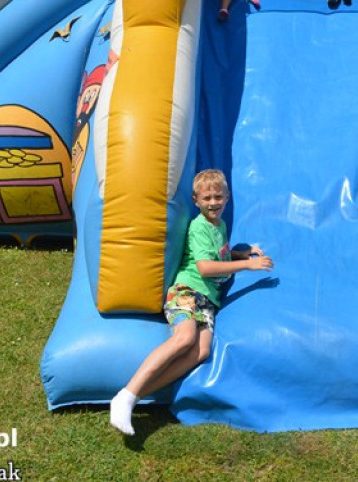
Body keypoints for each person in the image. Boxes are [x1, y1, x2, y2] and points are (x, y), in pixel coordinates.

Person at [109, 169, 274, 435]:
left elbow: (217, 255)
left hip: (208, 300)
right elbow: (206, 268)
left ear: (227, 197)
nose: (213, 203)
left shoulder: (218, 226)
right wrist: (248, 264)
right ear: (196, 200)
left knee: (201, 351)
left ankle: (134, 397)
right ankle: (126, 395)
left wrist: (237, 253)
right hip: (186, 291)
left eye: (218, 196)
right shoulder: (199, 226)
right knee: (185, 339)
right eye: (207, 198)